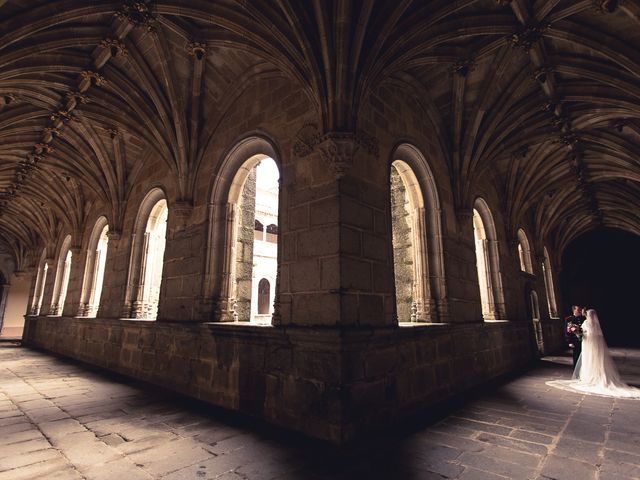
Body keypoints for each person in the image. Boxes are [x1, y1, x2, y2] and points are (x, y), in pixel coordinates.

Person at [548, 309, 640, 398]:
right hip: (591, 345)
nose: (585, 315)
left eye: (587, 314)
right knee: (594, 360)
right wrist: (578, 332)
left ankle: (590, 378)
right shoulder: (595, 324)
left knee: (589, 360)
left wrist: (577, 332)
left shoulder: (586, 323)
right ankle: (596, 376)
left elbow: (585, 334)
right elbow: (596, 335)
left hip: (587, 344)